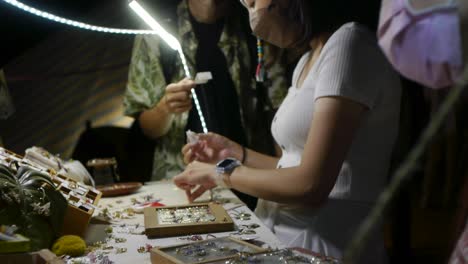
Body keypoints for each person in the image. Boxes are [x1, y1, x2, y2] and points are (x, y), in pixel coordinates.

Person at [173, 0, 401, 262]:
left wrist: (220, 173)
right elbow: (292, 166)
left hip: (326, 245)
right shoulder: (308, 60)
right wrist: (236, 154)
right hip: (284, 238)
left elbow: (310, 184)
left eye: (254, 0)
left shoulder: (350, 43)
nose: (248, 4)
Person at [123, 0, 288, 209]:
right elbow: (146, 128)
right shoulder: (156, 32)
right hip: (183, 184)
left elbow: (280, 111)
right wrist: (166, 107)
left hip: (249, 180)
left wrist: (285, 178)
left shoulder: (255, 24)